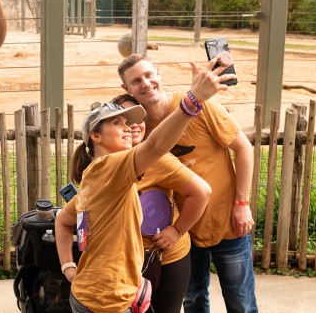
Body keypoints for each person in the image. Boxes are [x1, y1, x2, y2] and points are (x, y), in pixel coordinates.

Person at [55, 56, 232, 313]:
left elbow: (63, 219)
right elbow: (157, 146)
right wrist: (193, 100)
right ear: (95, 135)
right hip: (108, 301)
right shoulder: (110, 167)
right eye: (117, 123)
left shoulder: (94, 176)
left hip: (94, 292)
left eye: (129, 122)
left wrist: (69, 267)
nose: (128, 128)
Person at [118, 53, 258, 313]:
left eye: (149, 75)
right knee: (193, 299)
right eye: (136, 81)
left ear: (159, 73)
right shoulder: (140, 128)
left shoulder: (200, 106)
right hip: (184, 230)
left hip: (227, 220)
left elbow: (244, 149)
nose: (146, 84)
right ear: (126, 89)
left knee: (241, 301)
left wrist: (242, 203)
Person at [110, 93, 211, 313]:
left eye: (138, 119)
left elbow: (201, 192)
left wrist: (176, 230)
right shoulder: (104, 163)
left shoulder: (159, 159)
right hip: (121, 260)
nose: (133, 126)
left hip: (165, 257)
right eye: (124, 121)